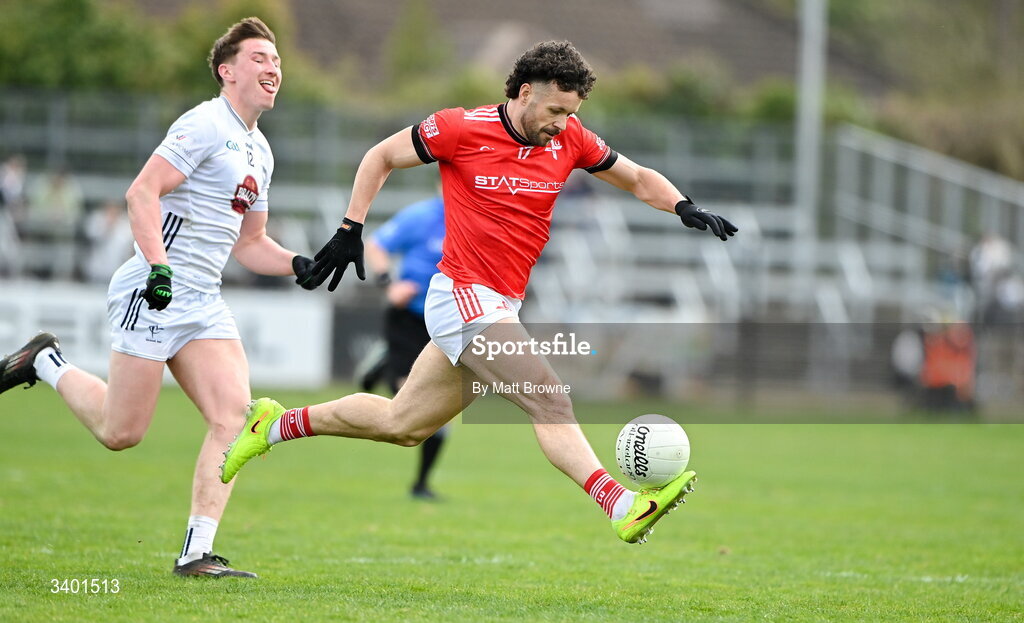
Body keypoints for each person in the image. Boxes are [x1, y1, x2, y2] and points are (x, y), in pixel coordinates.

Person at [222, 41, 736, 545]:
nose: (561, 121)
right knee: (550, 400)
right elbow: (380, 156)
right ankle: (622, 506)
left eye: (571, 112)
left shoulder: (570, 138)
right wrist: (350, 227)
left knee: (402, 424)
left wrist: (683, 206)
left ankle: (273, 424)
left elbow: (638, 178)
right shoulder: (460, 128)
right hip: (463, 294)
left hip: (499, 302)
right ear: (525, 92)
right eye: (555, 109)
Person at [0, 17, 318, 577]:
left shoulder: (260, 151)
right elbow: (141, 192)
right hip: (153, 291)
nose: (274, 68)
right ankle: (44, 362)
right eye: (259, 58)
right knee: (121, 433)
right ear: (227, 71)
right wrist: (159, 268)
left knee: (236, 419)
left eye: (276, 60)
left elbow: (251, 244)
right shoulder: (203, 124)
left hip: (202, 302)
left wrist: (297, 263)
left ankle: (197, 552)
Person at [362, 189, 448, 500]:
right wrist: (389, 284)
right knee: (412, 403)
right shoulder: (422, 215)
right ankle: (388, 368)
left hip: (446, 325)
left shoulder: (476, 216)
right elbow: (375, 245)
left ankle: (421, 485)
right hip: (408, 320)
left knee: (440, 414)